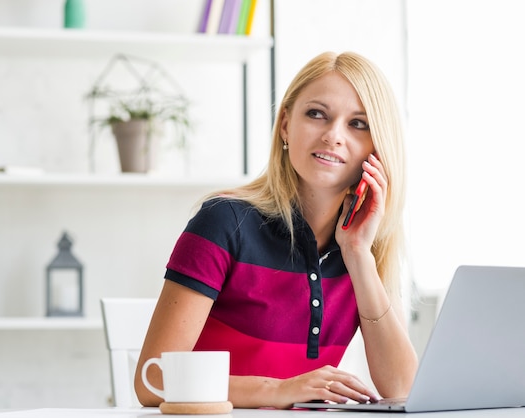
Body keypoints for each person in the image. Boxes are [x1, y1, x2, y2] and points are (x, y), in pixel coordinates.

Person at [134, 51, 418, 409]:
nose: (334, 135)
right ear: (285, 125)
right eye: (317, 114)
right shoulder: (224, 221)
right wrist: (279, 390)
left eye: (358, 124)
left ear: (378, 147)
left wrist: (358, 254)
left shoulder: (363, 246)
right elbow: (153, 380)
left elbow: (402, 389)